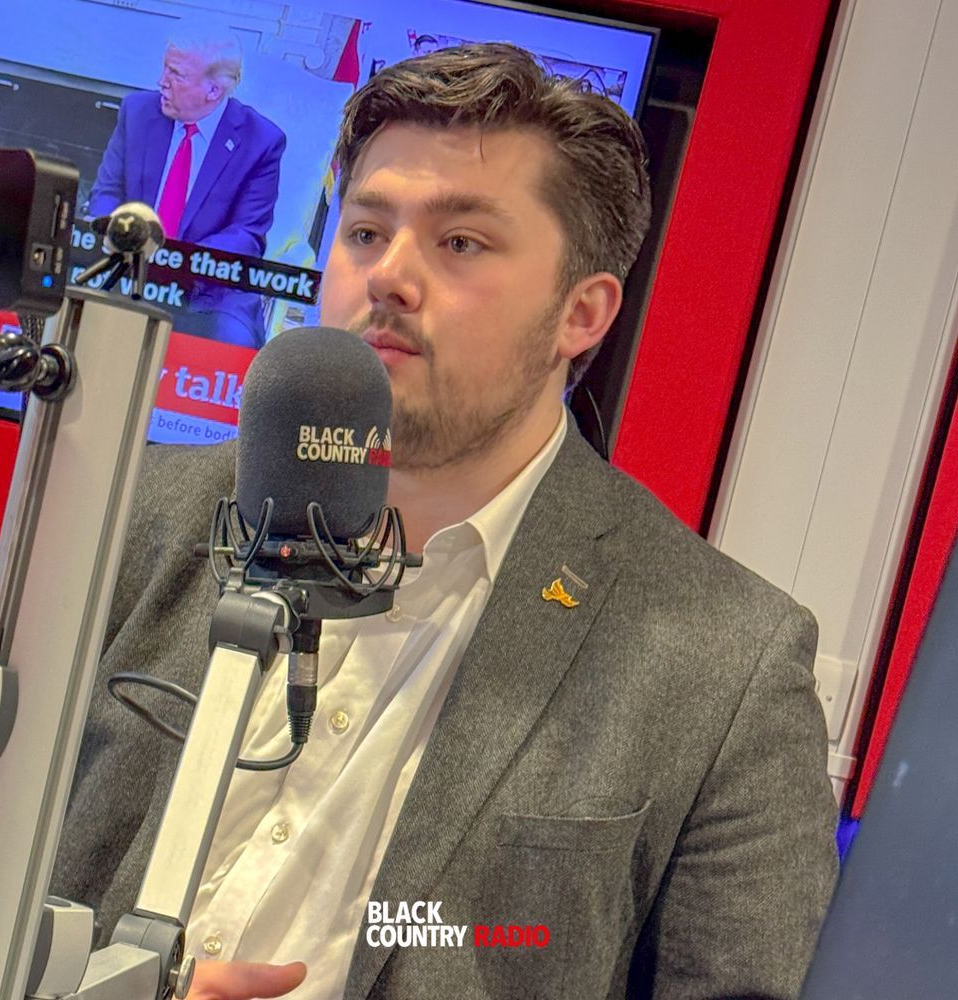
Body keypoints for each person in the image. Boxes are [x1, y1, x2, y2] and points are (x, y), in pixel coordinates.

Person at [53, 43, 838, 1000]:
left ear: (581, 314)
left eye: (461, 242)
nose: (389, 276)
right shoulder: (137, 512)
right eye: (365, 231)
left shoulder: (725, 664)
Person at [88, 23, 286, 348]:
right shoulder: (137, 112)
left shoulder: (261, 141)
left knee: (232, 337)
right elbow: (106, 193)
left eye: (176, 74)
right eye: (164, 68)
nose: (161, 82)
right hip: (128, 263)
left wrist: (178, 263)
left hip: (210, 287)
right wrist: (118, 236)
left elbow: (247, 234)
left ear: (213, 91)